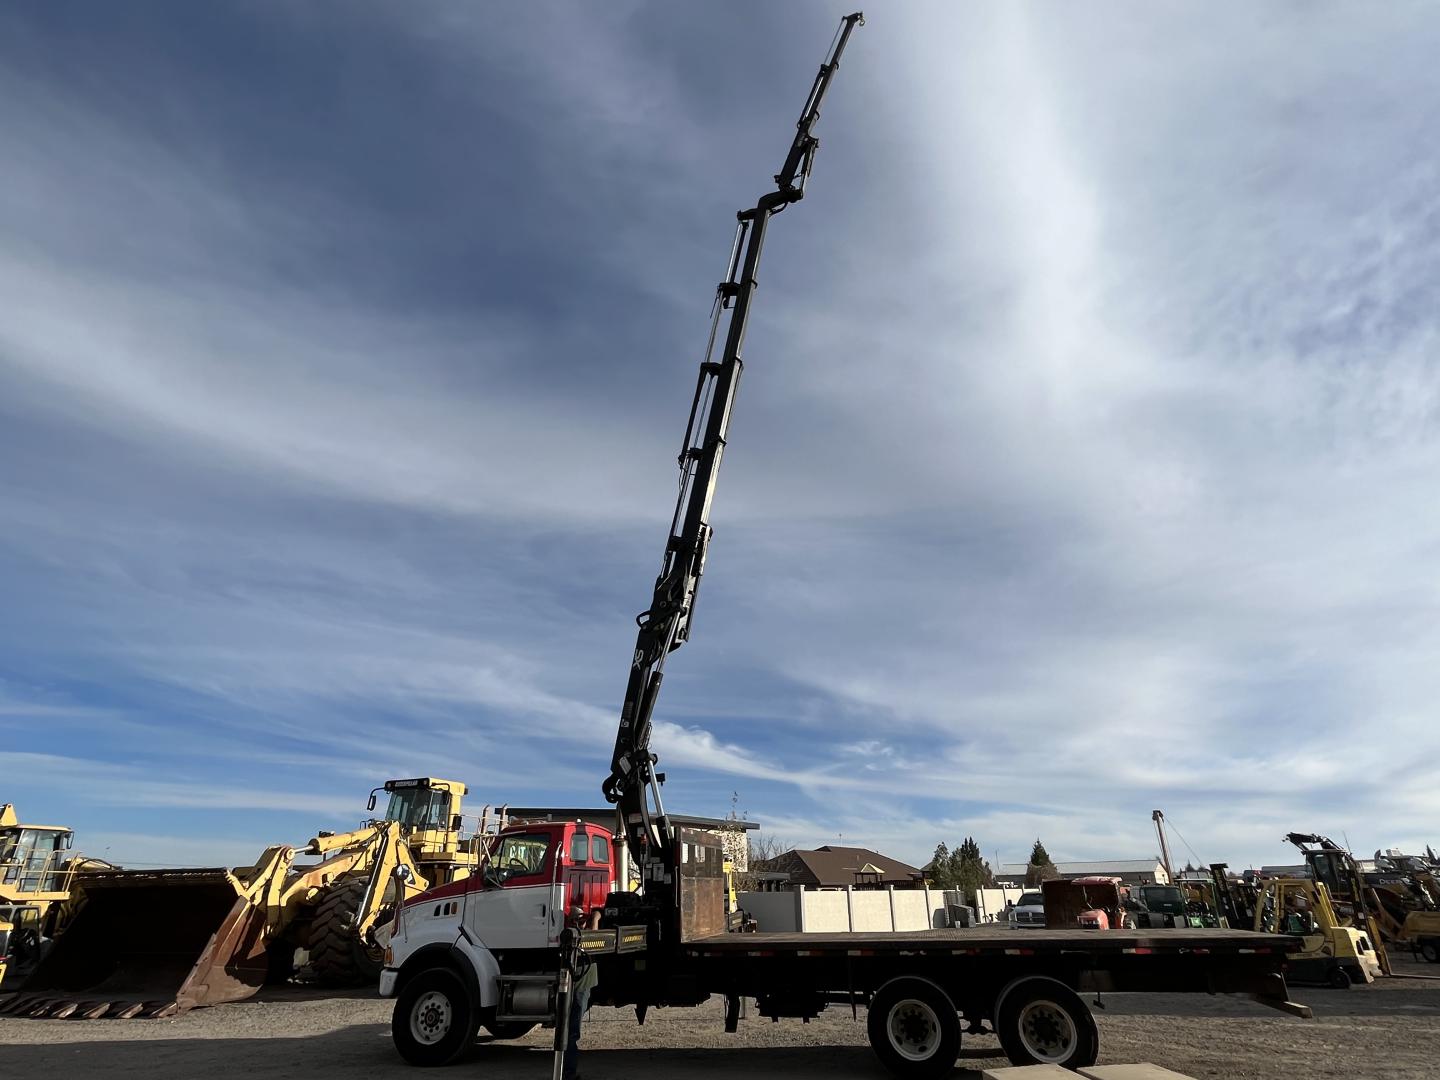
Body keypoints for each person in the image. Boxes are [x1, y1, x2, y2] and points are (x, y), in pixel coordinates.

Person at [562, 907, 600, 1080]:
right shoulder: (575, 937)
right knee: (572, 1031)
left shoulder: (573, 936)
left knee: (571, 1030)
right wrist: (596, 918)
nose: (581, 921)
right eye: (579, 919)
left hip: (580, 988)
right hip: (579, 989)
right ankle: (569, 1073)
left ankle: (567, 1070)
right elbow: (594, 938)